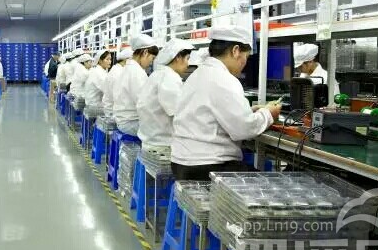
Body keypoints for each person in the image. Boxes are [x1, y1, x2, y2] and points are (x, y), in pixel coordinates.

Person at [171, 25, 282, 181]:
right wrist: (268, 114)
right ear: (235, 51)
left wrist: (250, 111)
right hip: (207, 167)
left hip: (182, 163)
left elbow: (213, 114)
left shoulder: (199, 74)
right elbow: (244, 129)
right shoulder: (223, 79)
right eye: (246, 56)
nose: (244, 63)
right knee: (275, 183)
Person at [136, 39, 194, 148]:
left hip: (150, 138)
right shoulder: (169, 77)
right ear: (178, 57)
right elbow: (178, 112)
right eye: (187, 58)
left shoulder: (158, 73)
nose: (188, 64)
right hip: (161, 143)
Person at [113, 35, 159, 136]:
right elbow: (144, 103)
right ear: (145, 52)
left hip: (123, 120)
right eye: (152, 58)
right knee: (165, 132)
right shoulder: (136, 72)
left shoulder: (129, 68)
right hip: (130, 123)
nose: (151, 62)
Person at [102, 48, 132, 117]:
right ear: (126, 60)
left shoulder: (117, 69)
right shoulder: (119, 73)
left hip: (111, 108)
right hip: (113, 112)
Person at [83, 50, 111, 114]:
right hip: (94, 106)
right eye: (107, 59)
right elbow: (108, 90)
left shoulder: (98, 70)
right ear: (100, 61)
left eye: (110, 59)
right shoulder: (98, 73)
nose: (110, 61)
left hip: (92, 104)